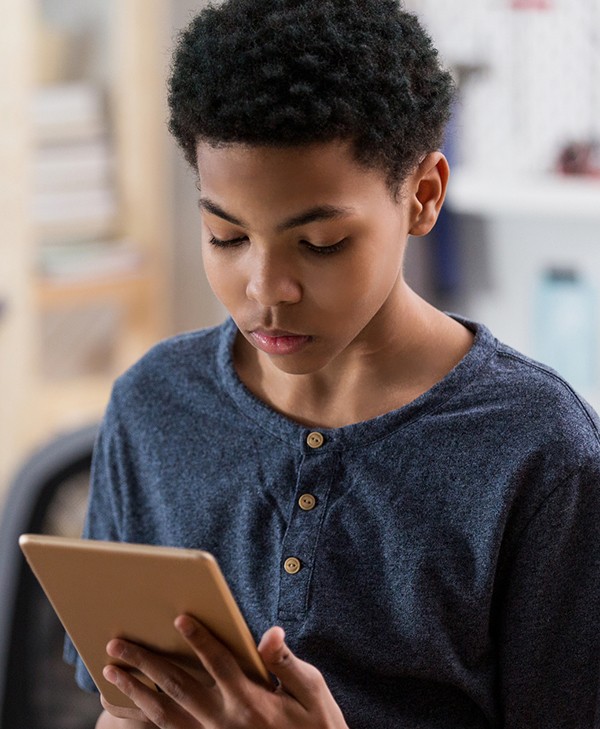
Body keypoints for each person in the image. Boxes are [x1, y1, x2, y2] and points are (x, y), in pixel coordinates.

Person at [65, 0, 600, 727]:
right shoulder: (153, 404)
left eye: (319, 244)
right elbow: (120, 710)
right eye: (225, 236)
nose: (264, 292)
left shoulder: (540, 453)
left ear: (424, 195)